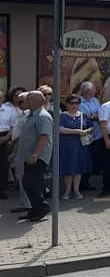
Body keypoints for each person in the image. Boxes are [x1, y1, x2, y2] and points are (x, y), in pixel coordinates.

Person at [17, 90, 53, 221]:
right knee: (29, 182)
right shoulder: (31, 115)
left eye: (28, 99)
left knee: (31, 182)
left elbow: (44, 136)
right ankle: (35, 208)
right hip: (29, 156)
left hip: (38, 157)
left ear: (36, 102)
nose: (25, 102)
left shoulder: (42, 116)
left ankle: (41, 207)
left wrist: (36, 154)